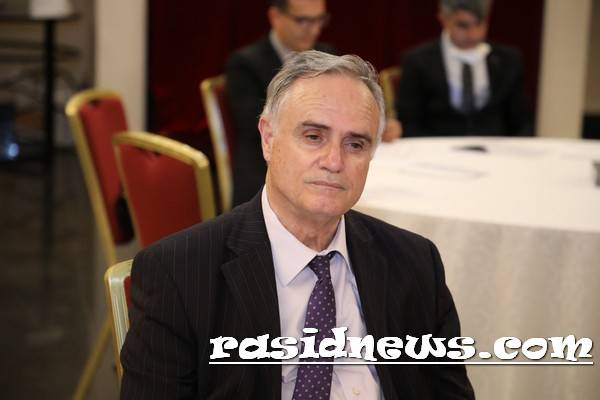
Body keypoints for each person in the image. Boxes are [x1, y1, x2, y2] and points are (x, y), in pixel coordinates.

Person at [120, 51, 474, 399]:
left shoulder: (415, 264)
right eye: (313, 137)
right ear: (268, 138)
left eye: (355, 144)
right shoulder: (181, 273)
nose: (334, 161)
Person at [226, 0, 334, 207]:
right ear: (275, 17)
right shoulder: (245, 63)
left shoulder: (328, 56)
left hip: (320, 159)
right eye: (302, 20)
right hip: (263, 168)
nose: (314, 29)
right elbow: (254, 126)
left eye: (319, 20)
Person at [395, 0, 530, 137]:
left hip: (495, 145)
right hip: (436, 144)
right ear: (444, 19)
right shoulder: (418, 61)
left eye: (479, 24)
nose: (473, 34)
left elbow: (522, 120)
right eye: (462, 25)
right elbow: (408, 121)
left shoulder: (508, 60)